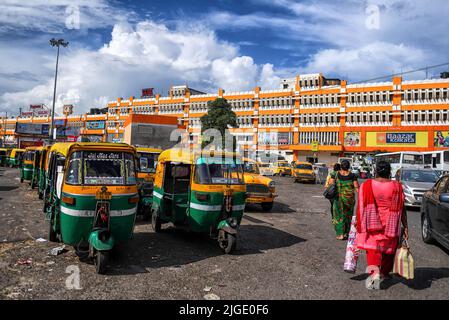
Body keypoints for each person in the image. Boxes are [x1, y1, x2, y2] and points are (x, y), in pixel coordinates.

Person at [355, 161, 408, 288]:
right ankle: (384, 272)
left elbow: (361, 204)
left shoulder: (367, 185)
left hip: (371, 221)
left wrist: (358, 220)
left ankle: (374, 274)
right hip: (391, 222)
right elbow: (402, 207)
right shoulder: (397, 186)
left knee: (372, 249)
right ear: (389, 172)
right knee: (388, 249)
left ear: (376, 171)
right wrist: (405, 226)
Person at [329, 160, 359, 240]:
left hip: (338, 199)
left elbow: (330, 184)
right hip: (349, 200)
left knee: (338, 216)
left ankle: (340, 234)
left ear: (341, 166)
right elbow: (357, 188)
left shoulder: (335, 174)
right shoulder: (353, 175)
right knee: (348, 216)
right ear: (349, 166)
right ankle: (346, 233)